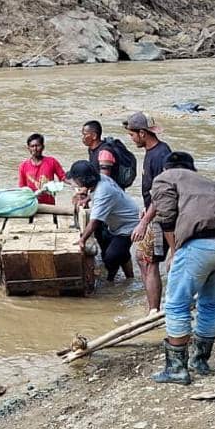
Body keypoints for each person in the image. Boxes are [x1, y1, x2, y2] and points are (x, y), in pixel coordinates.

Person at [149, 152, 215, 384]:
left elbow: (166, 217)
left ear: (167, 167)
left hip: (200, 243)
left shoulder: (166, 177)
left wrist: (174, 252)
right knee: (210, 304)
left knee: (176, 304)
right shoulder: (210, 183)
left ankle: (176, 369)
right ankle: (200, 361)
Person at [125, 112, 171, 315]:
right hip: (153, 212)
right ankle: (152, 303)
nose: (131, 138)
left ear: (142, 133)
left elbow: (162, 194)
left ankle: (154, 310)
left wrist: (144, 221)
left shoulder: (161, 155)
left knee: (149, 260)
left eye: (132, 134)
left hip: (161, 217)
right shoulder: (152, 152)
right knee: (141, 256)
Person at [67, 160, 141, 282]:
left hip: (128, 226)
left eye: (76, 180)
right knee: (120, 252)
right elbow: (97, 195)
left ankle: (110, 281)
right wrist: (88, 198)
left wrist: (82, 239)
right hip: (119, 221)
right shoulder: (101, 179)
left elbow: (94, 221)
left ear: (83, 180)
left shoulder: (103, 192)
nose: (75, 183)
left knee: (111, 258)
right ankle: (130, 278)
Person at [80, 120, 137, 189]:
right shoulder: (92, 150)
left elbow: (104, 181)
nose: (83, 138)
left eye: (85, 134)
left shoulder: (105, 153)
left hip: (112, 194)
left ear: (94, 136)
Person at [18, 133, 66, 205]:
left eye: (37, 146)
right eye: (32, 146)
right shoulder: (23, 166)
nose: (35, 149)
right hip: (31, 204)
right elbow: (22, 188)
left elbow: (63, 177)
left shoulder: (52, 162)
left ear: (43, 147)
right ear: (28, 148)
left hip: (49, 204)